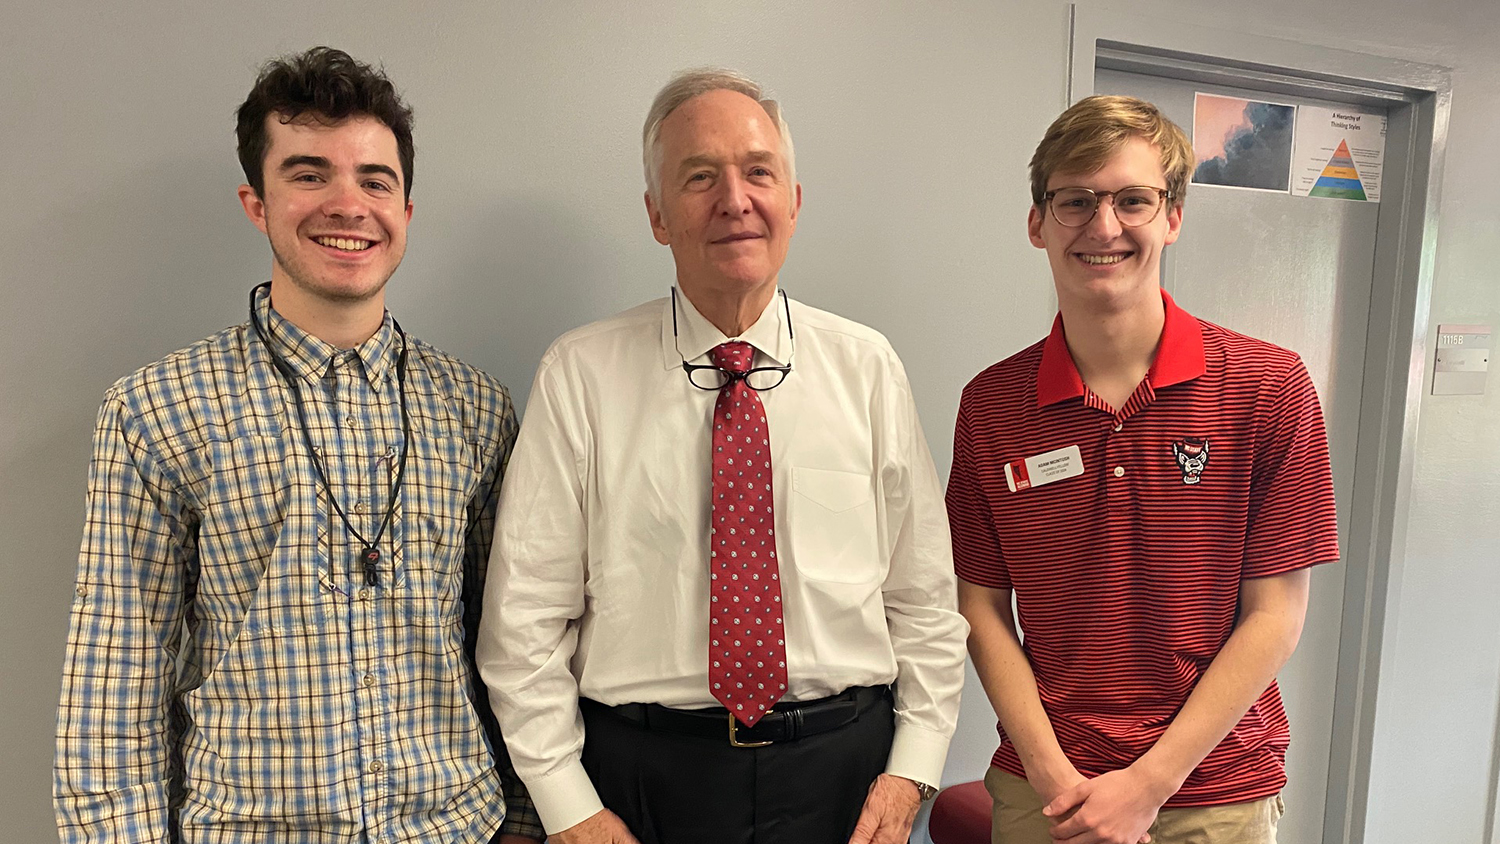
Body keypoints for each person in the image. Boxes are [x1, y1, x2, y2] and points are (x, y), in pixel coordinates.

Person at [53, 46, 540, 844]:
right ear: (257, 201)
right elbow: (116, 679)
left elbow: (511, 643)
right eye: (310, 174)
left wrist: (523, 821)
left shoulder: (477, 410)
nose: (348, 204)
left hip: (457, 828)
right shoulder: (155, 411)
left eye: (375, 180)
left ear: (407, 211)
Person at [477, 68, 968, 844]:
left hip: (842, 778)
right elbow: (523, 624)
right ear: (657, 215)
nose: (735, 199)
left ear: (795, 203)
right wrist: (568, 805)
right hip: (640, 785)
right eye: (699, 177)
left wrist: (912, 769)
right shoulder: (580, 374)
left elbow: (925, 604)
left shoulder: (868, 367)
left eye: (758, 172)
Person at [947, 95, 1340, 844]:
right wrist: (1055, 774)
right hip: (1046, 791)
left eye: (1133, 200)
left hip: (1215, 793)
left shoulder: (1268, 388)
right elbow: (982, 608)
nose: (1104, 226)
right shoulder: (992, 404)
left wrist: (1148, 785)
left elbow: (1276, 616)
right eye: (1075, 201)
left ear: (1173, 217)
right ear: (1037, 222)